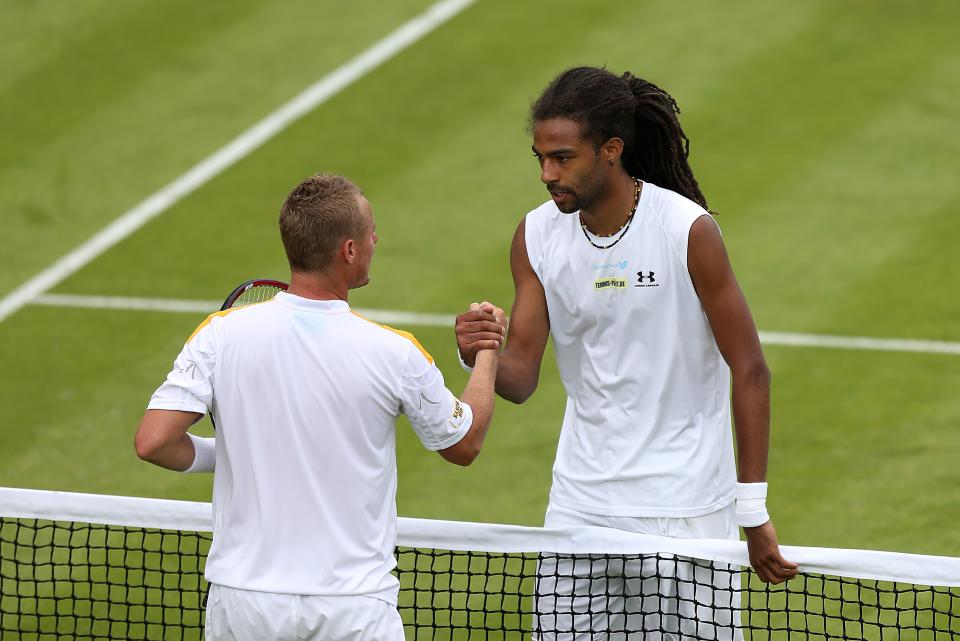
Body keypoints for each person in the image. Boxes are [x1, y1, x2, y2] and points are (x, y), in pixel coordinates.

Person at [455, 67, 798, 639]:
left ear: (611, 150)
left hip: (684, 511)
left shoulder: (687, 230)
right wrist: (479, 352)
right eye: (540, 158)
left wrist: (752, 508)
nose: (547, 174)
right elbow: (520, 379)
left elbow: (751, 368)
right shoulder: (535, 237)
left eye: (562, 158)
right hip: (580, 509)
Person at [135, 173, 504, 641]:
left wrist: (229, 453)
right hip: (350, 610)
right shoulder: (394, 352)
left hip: (244, 605)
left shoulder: (219, 334)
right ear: (349, 250)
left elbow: (153, 442)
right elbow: (464, 443)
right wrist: (487, 351)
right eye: (370, 232)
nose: (376, 239)